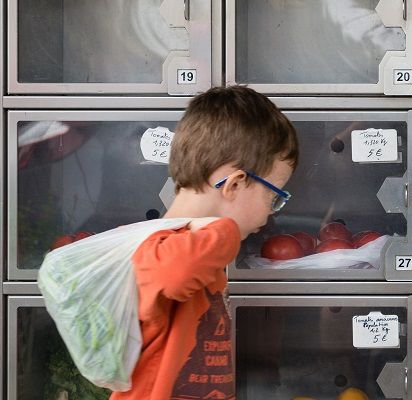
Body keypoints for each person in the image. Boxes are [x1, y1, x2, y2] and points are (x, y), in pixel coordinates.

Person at [111, 85, 298, 400]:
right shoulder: (158, 248)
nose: (271, 211)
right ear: (235, 184)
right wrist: (225, 231)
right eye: (273, 196)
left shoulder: (197, 251)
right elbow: (173, 273)